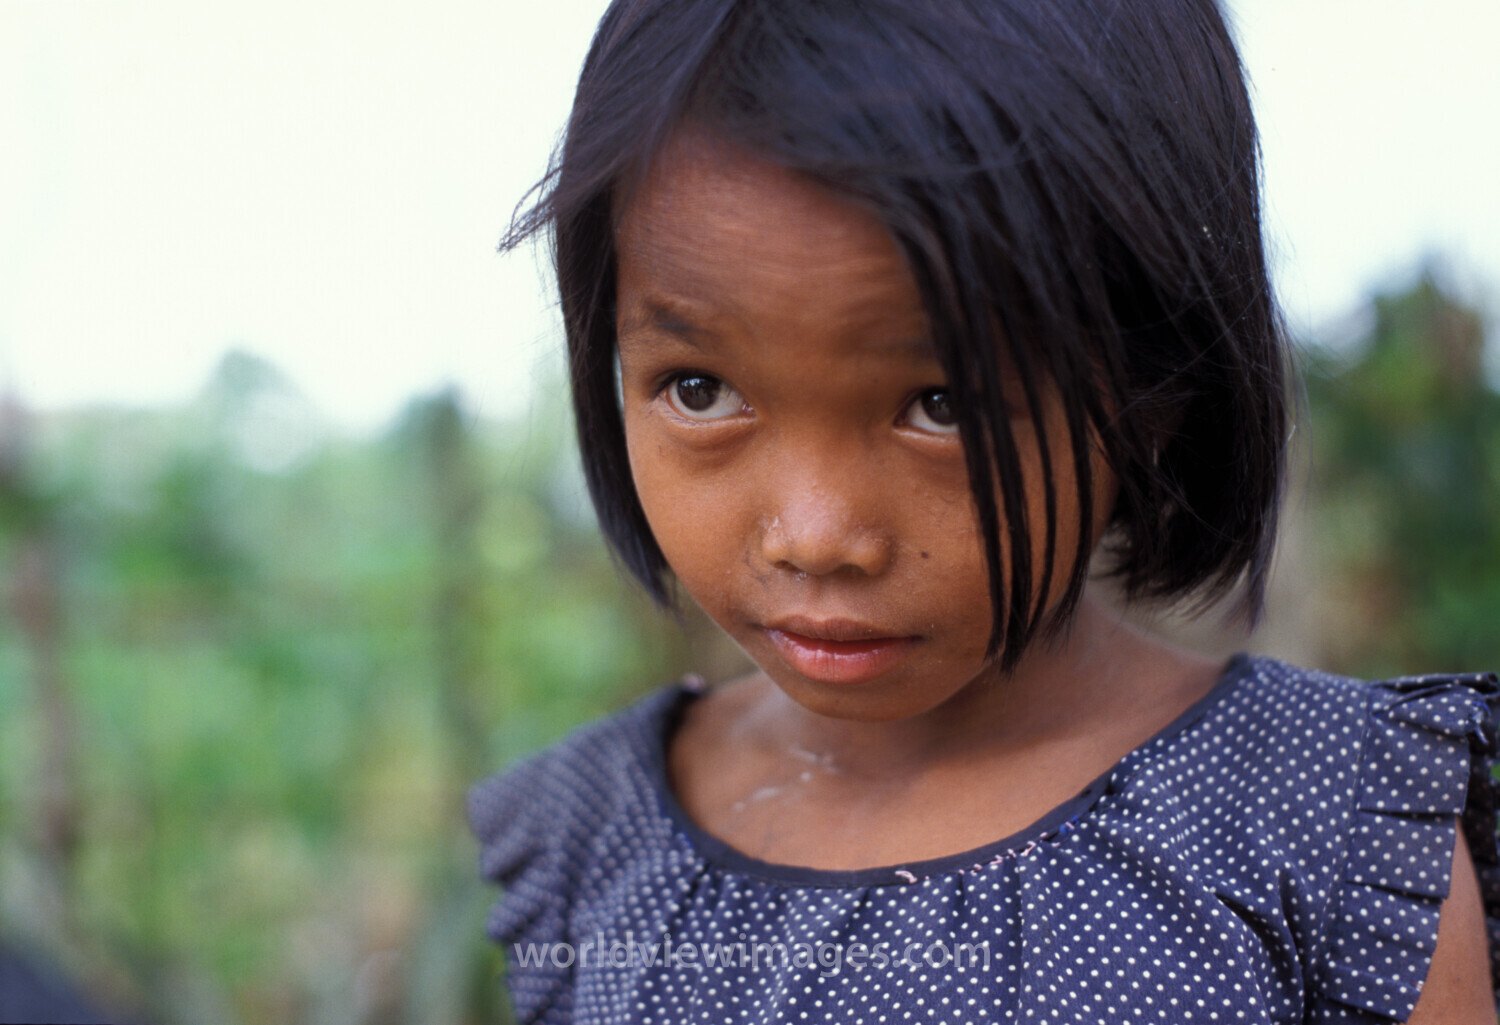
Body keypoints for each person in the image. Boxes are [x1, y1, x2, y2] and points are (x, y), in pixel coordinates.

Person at [468, 0, 1500, 1020]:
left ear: (1153, 391)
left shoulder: (1323, 819)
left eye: (943, 405)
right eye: (699, 389)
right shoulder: (591, 834)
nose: (817, 534)